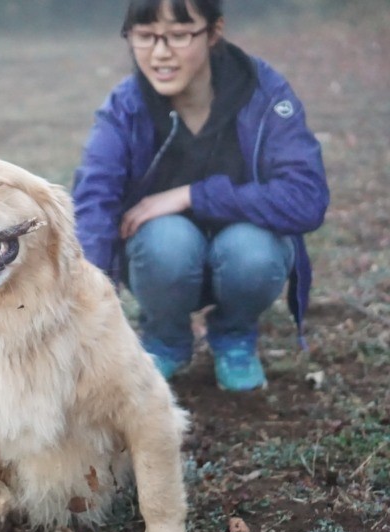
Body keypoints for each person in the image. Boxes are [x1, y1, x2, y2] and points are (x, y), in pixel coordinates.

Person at [72, 0, 329, 391]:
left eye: (178, 35)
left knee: (251, 248)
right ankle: (165, 340)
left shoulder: (263, 92)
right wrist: (88, 310)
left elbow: (307, 198)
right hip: (160, 262)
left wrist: (193, 195)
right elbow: (95, 201)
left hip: (244, 256)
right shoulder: (125, 106)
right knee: (166, 239)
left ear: (213, 32)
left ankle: (235, 336)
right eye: (144, 36)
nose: (160, 53)